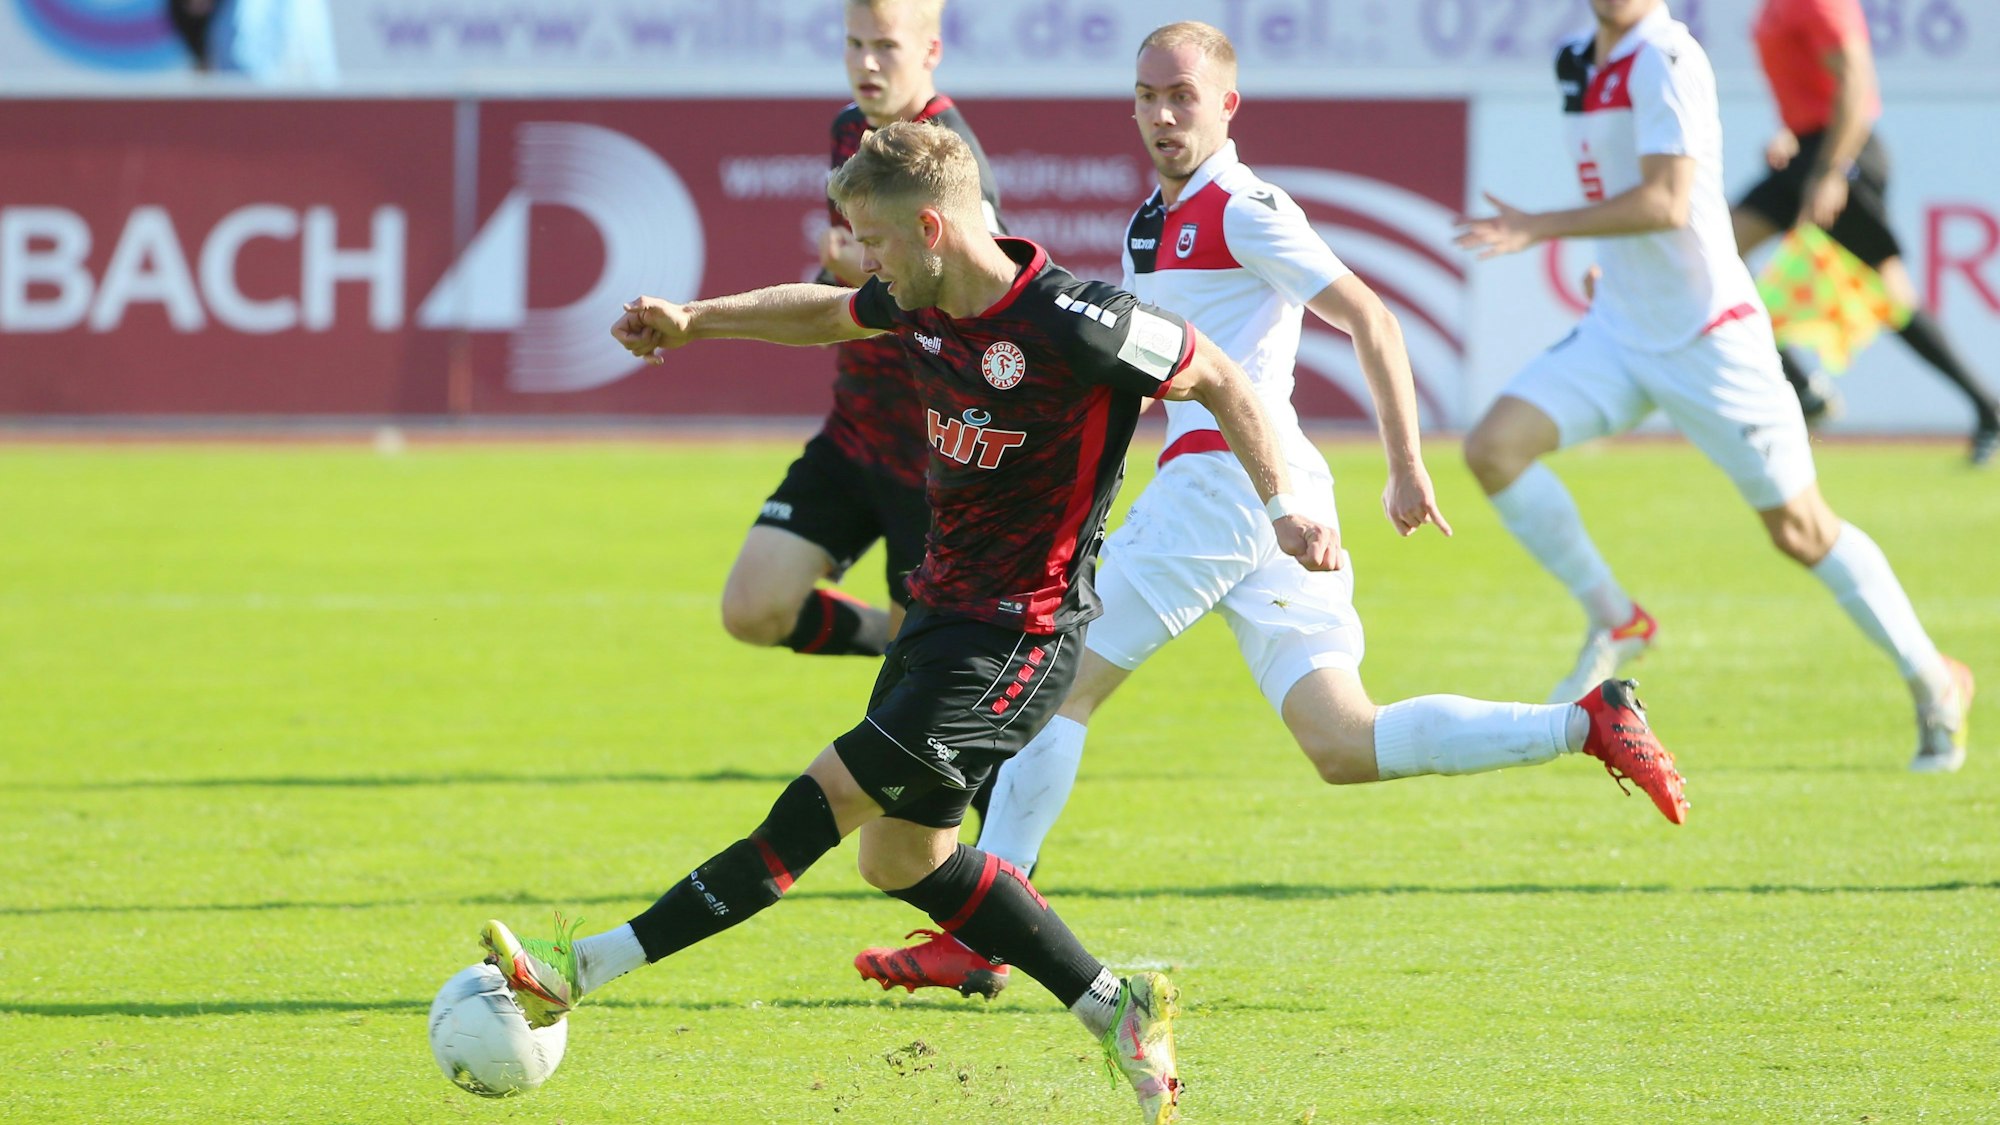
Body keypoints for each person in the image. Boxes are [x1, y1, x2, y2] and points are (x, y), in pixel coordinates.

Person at [478, 120, 1350, 1125]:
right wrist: (695, 319)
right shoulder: (918, 299)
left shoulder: (1081, 322)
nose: (864, 261)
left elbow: (1224, 378)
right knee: (900, 860)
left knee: (816, 806)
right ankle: (1119, 1006)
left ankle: (578, 969)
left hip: (1017, 640)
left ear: (931, 228)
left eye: (876, 241)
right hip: (937, 621)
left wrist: (1285, 505)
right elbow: (824, 313)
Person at [849, 19, 1689, 1002]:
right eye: (1147, 96)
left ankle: (984, 934)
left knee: (1055, 686)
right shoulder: (1148, 222)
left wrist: (1406, 467)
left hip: (1228, 486)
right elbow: (1145, 372)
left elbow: (1369, 316)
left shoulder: (1243, 208)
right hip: (1258, 495)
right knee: (1344, 741)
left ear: (1226, 105)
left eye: (1183, 97)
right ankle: (1584, 723)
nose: (1163, 115)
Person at [1453, 0, 1973, 770]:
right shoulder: (1575, 61)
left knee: (1801, 530)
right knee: (1493, 449)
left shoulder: (1668, 57)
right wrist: (1617, 271)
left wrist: (1541, 225)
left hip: (1710, 338)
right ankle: (1617, 617)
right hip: (1622, 328)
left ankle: (1934, 679)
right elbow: (1618, 184)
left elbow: (1667, 201)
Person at [722, 0, 1004, 660]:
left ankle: (912, 645)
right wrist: (842, 278)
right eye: (854, 44)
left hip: (934, 452)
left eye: (886, 46)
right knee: (751, 609)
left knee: (918, 680)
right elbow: (851, 276)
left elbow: (982, 306)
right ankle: (888, 637)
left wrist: (868, 275)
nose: (866, 63)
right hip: (857, 427)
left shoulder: (951, 159)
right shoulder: (851, 129)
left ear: (931, 52)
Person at [1733, 0, 2000, 464]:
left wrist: (1832, 170)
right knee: (1713, 257)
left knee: (1893, 297)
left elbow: (1855, 80)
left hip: (1840, 156)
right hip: (1807, 152)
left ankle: (1989, 408)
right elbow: (1809, 87)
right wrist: (1791, 133)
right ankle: (1802, 389)